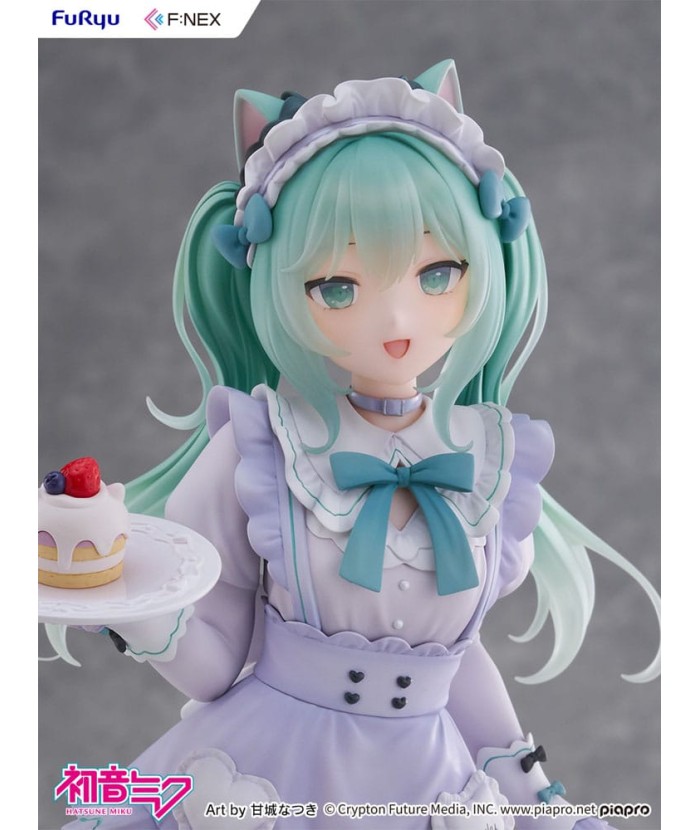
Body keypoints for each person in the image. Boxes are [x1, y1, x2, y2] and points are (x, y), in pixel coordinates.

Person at [62, 60, 659, 830]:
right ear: (279, 284)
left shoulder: (488, 459)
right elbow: (211, 666)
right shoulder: (263, 447)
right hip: (269, 774)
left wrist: (533, 790)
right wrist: (130, 603)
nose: (398, 319)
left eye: (437, 274)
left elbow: (456, 660)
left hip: (426, 786)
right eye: (340, 288)